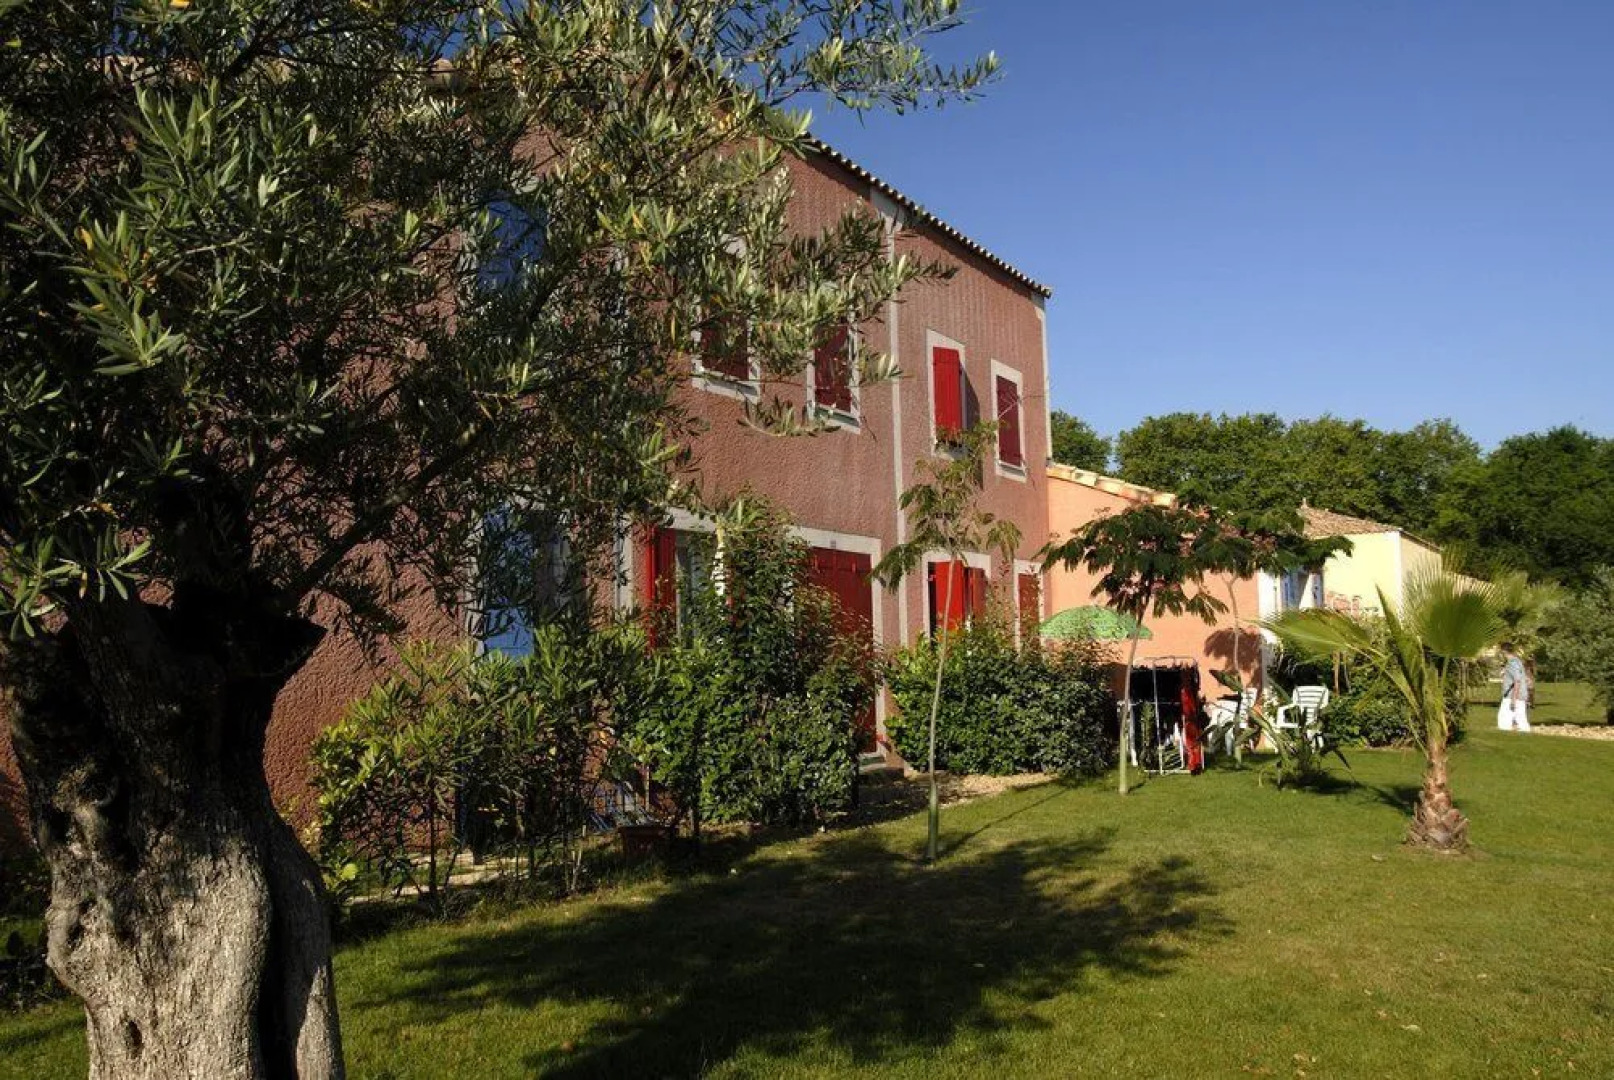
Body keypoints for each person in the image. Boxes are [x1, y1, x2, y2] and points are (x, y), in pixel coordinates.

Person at [1497, 642, 1532, 732]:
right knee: (1521, 719)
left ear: (1504, 651)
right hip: (1517, 695)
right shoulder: (1517, 661)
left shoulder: (1513, 663)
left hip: (1512, 696)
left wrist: (1513, 699)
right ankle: (1525, 734)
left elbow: (1517, 681)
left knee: (1504, 721)